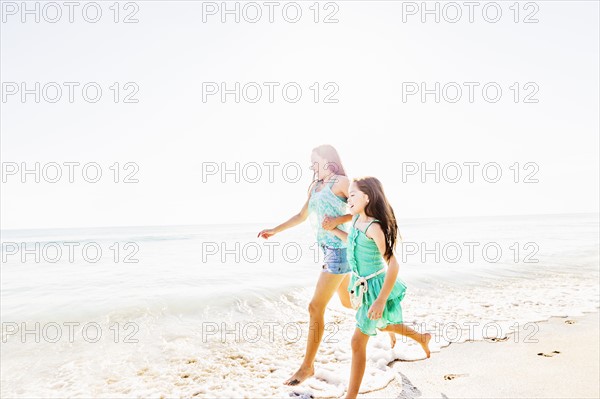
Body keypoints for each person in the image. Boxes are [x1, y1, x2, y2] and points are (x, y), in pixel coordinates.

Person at [328, 176, 431, 399]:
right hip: (362, 286)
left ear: (367, 197)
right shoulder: (356, 220)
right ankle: (421, 338)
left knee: (357, 341)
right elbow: (353, 241)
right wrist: (334, 230)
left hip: (376, 287)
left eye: (353, 194)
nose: (349, 198)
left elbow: (393, 263)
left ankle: (351, 396)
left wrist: (381, 299)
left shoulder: (374, 227)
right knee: (384, 326)